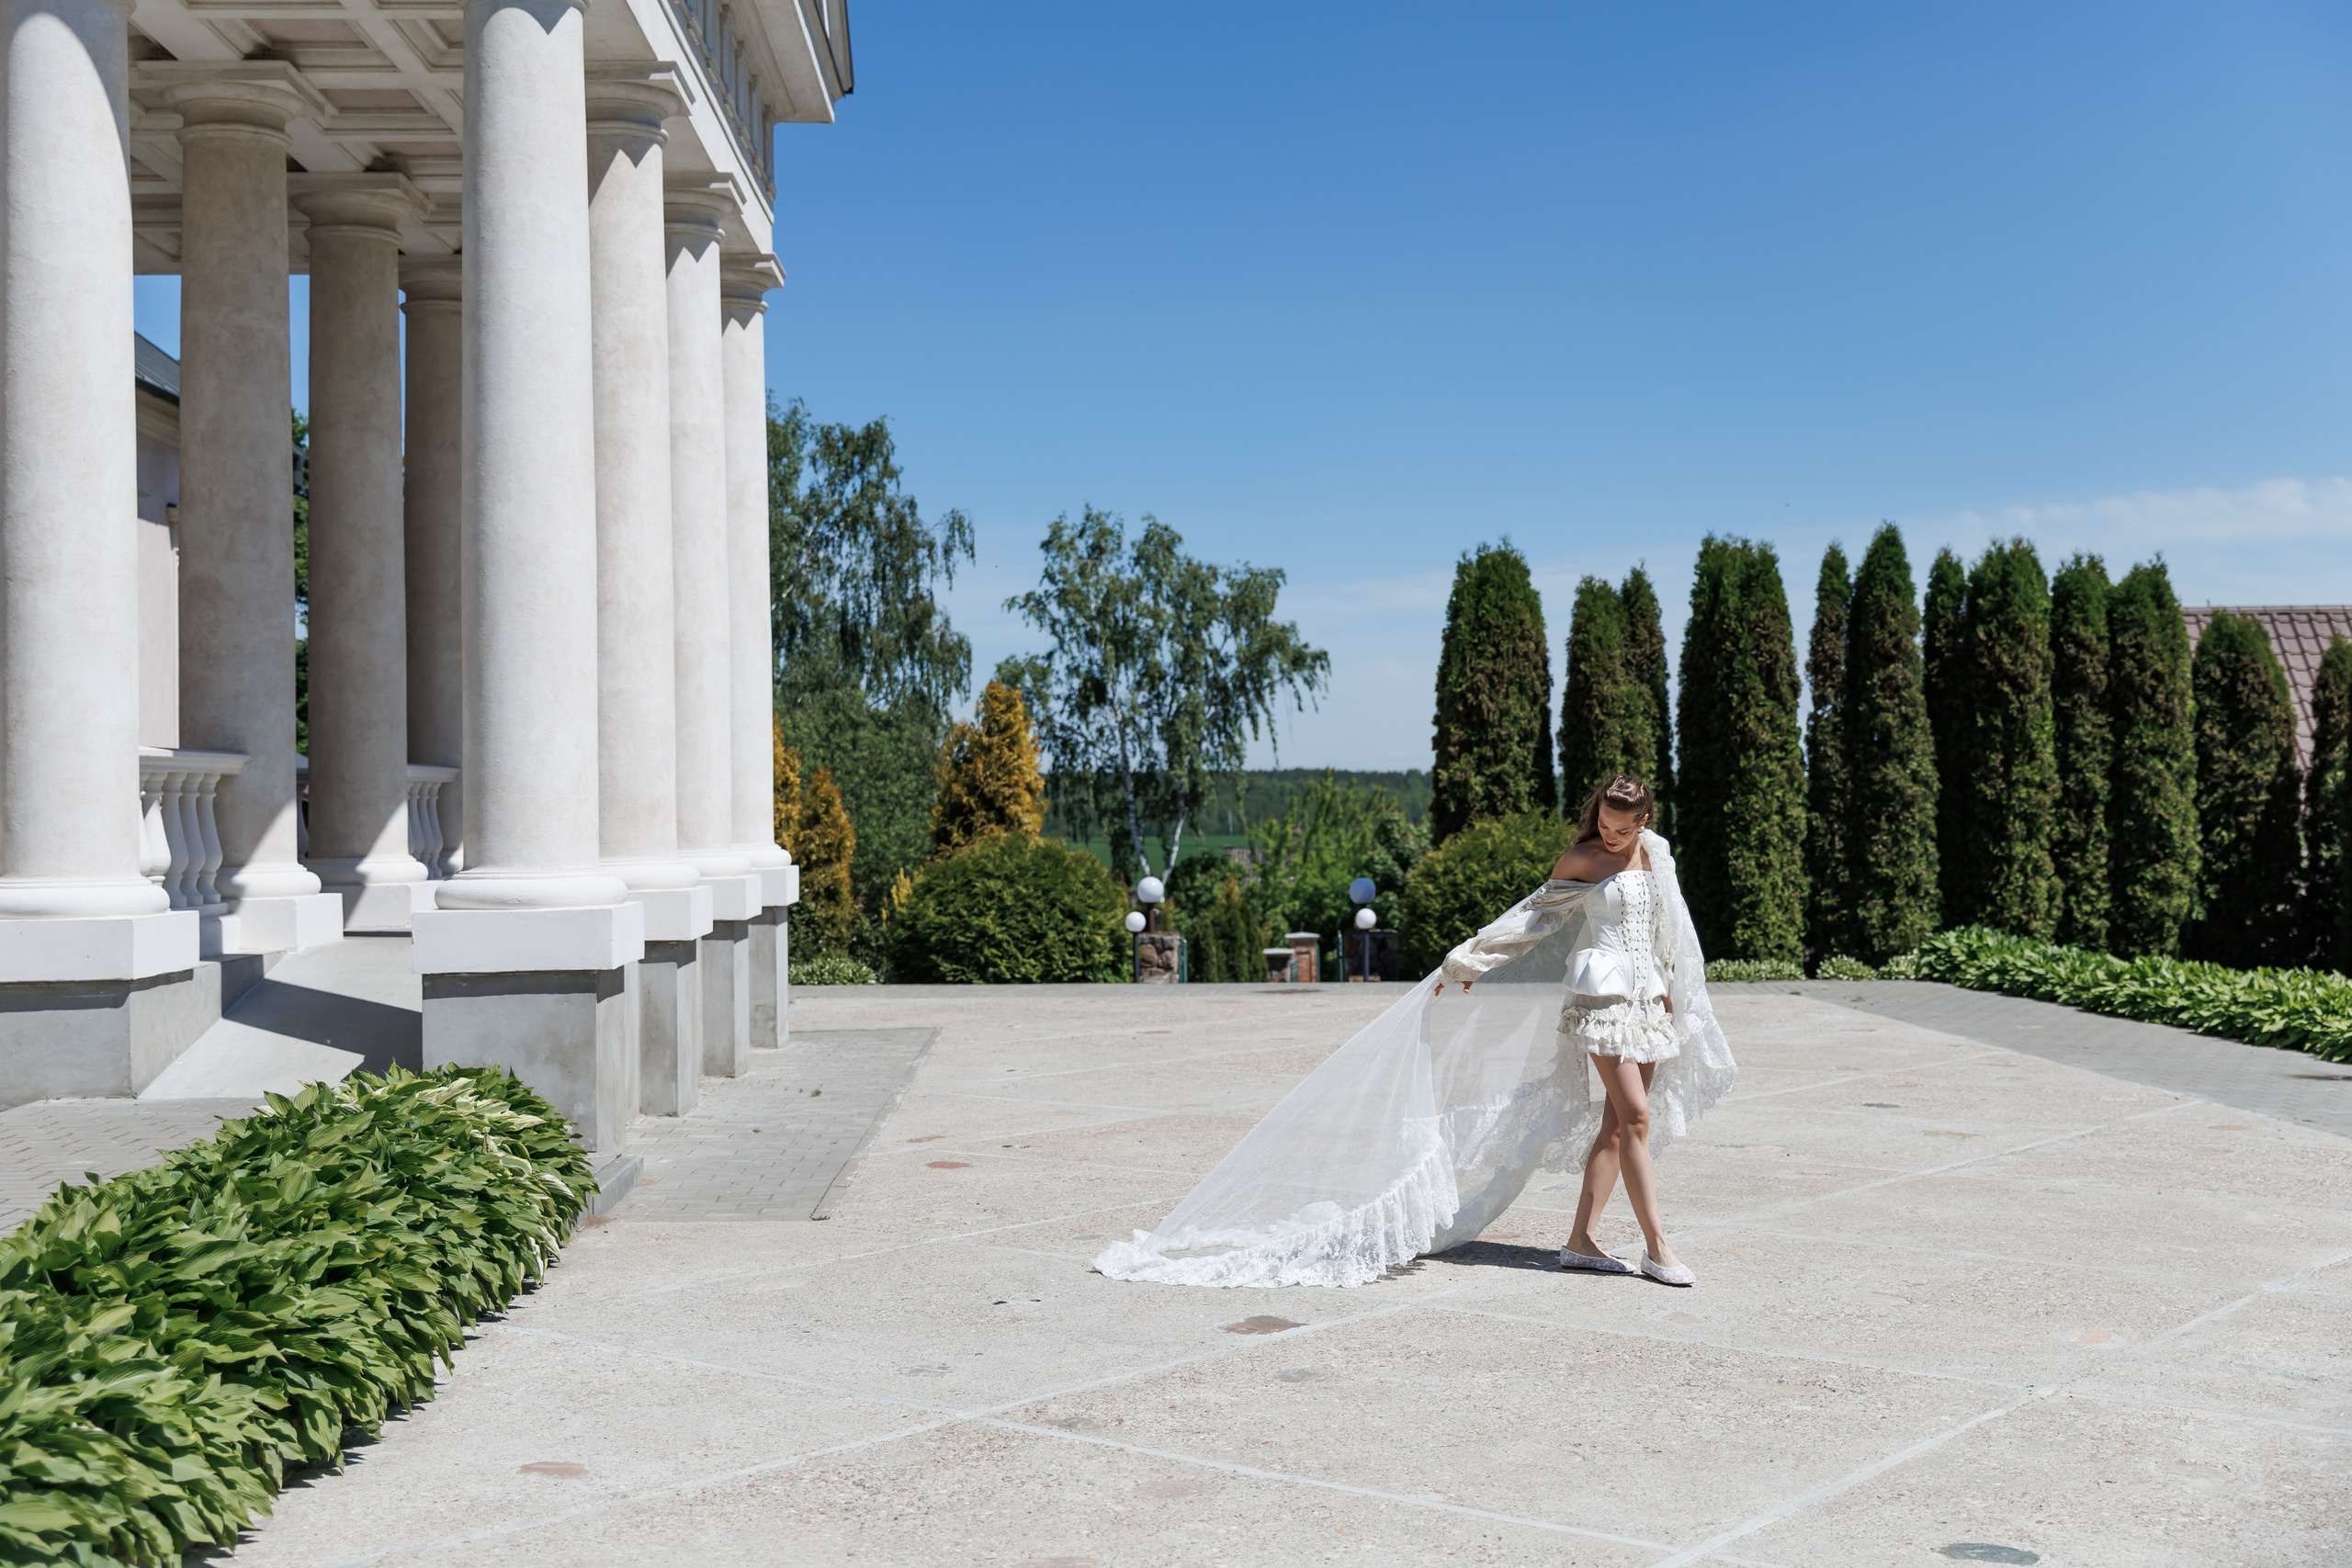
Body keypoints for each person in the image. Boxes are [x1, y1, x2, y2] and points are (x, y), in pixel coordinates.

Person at [1094, 773, 1736, 1291]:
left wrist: (1680, 998)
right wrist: (1465, 962)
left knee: (1618, 1126)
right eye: (1604, 821)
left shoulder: (1655, 856)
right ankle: (1658, 1246)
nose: (1611, 834)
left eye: (1622, 828)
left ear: (1644, 822)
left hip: (1649, 999)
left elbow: (1672, 933)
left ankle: (1580, 1241)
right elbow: (1530, 921)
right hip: (1602, 997)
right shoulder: (1584, 858)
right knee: (1639, 1118)